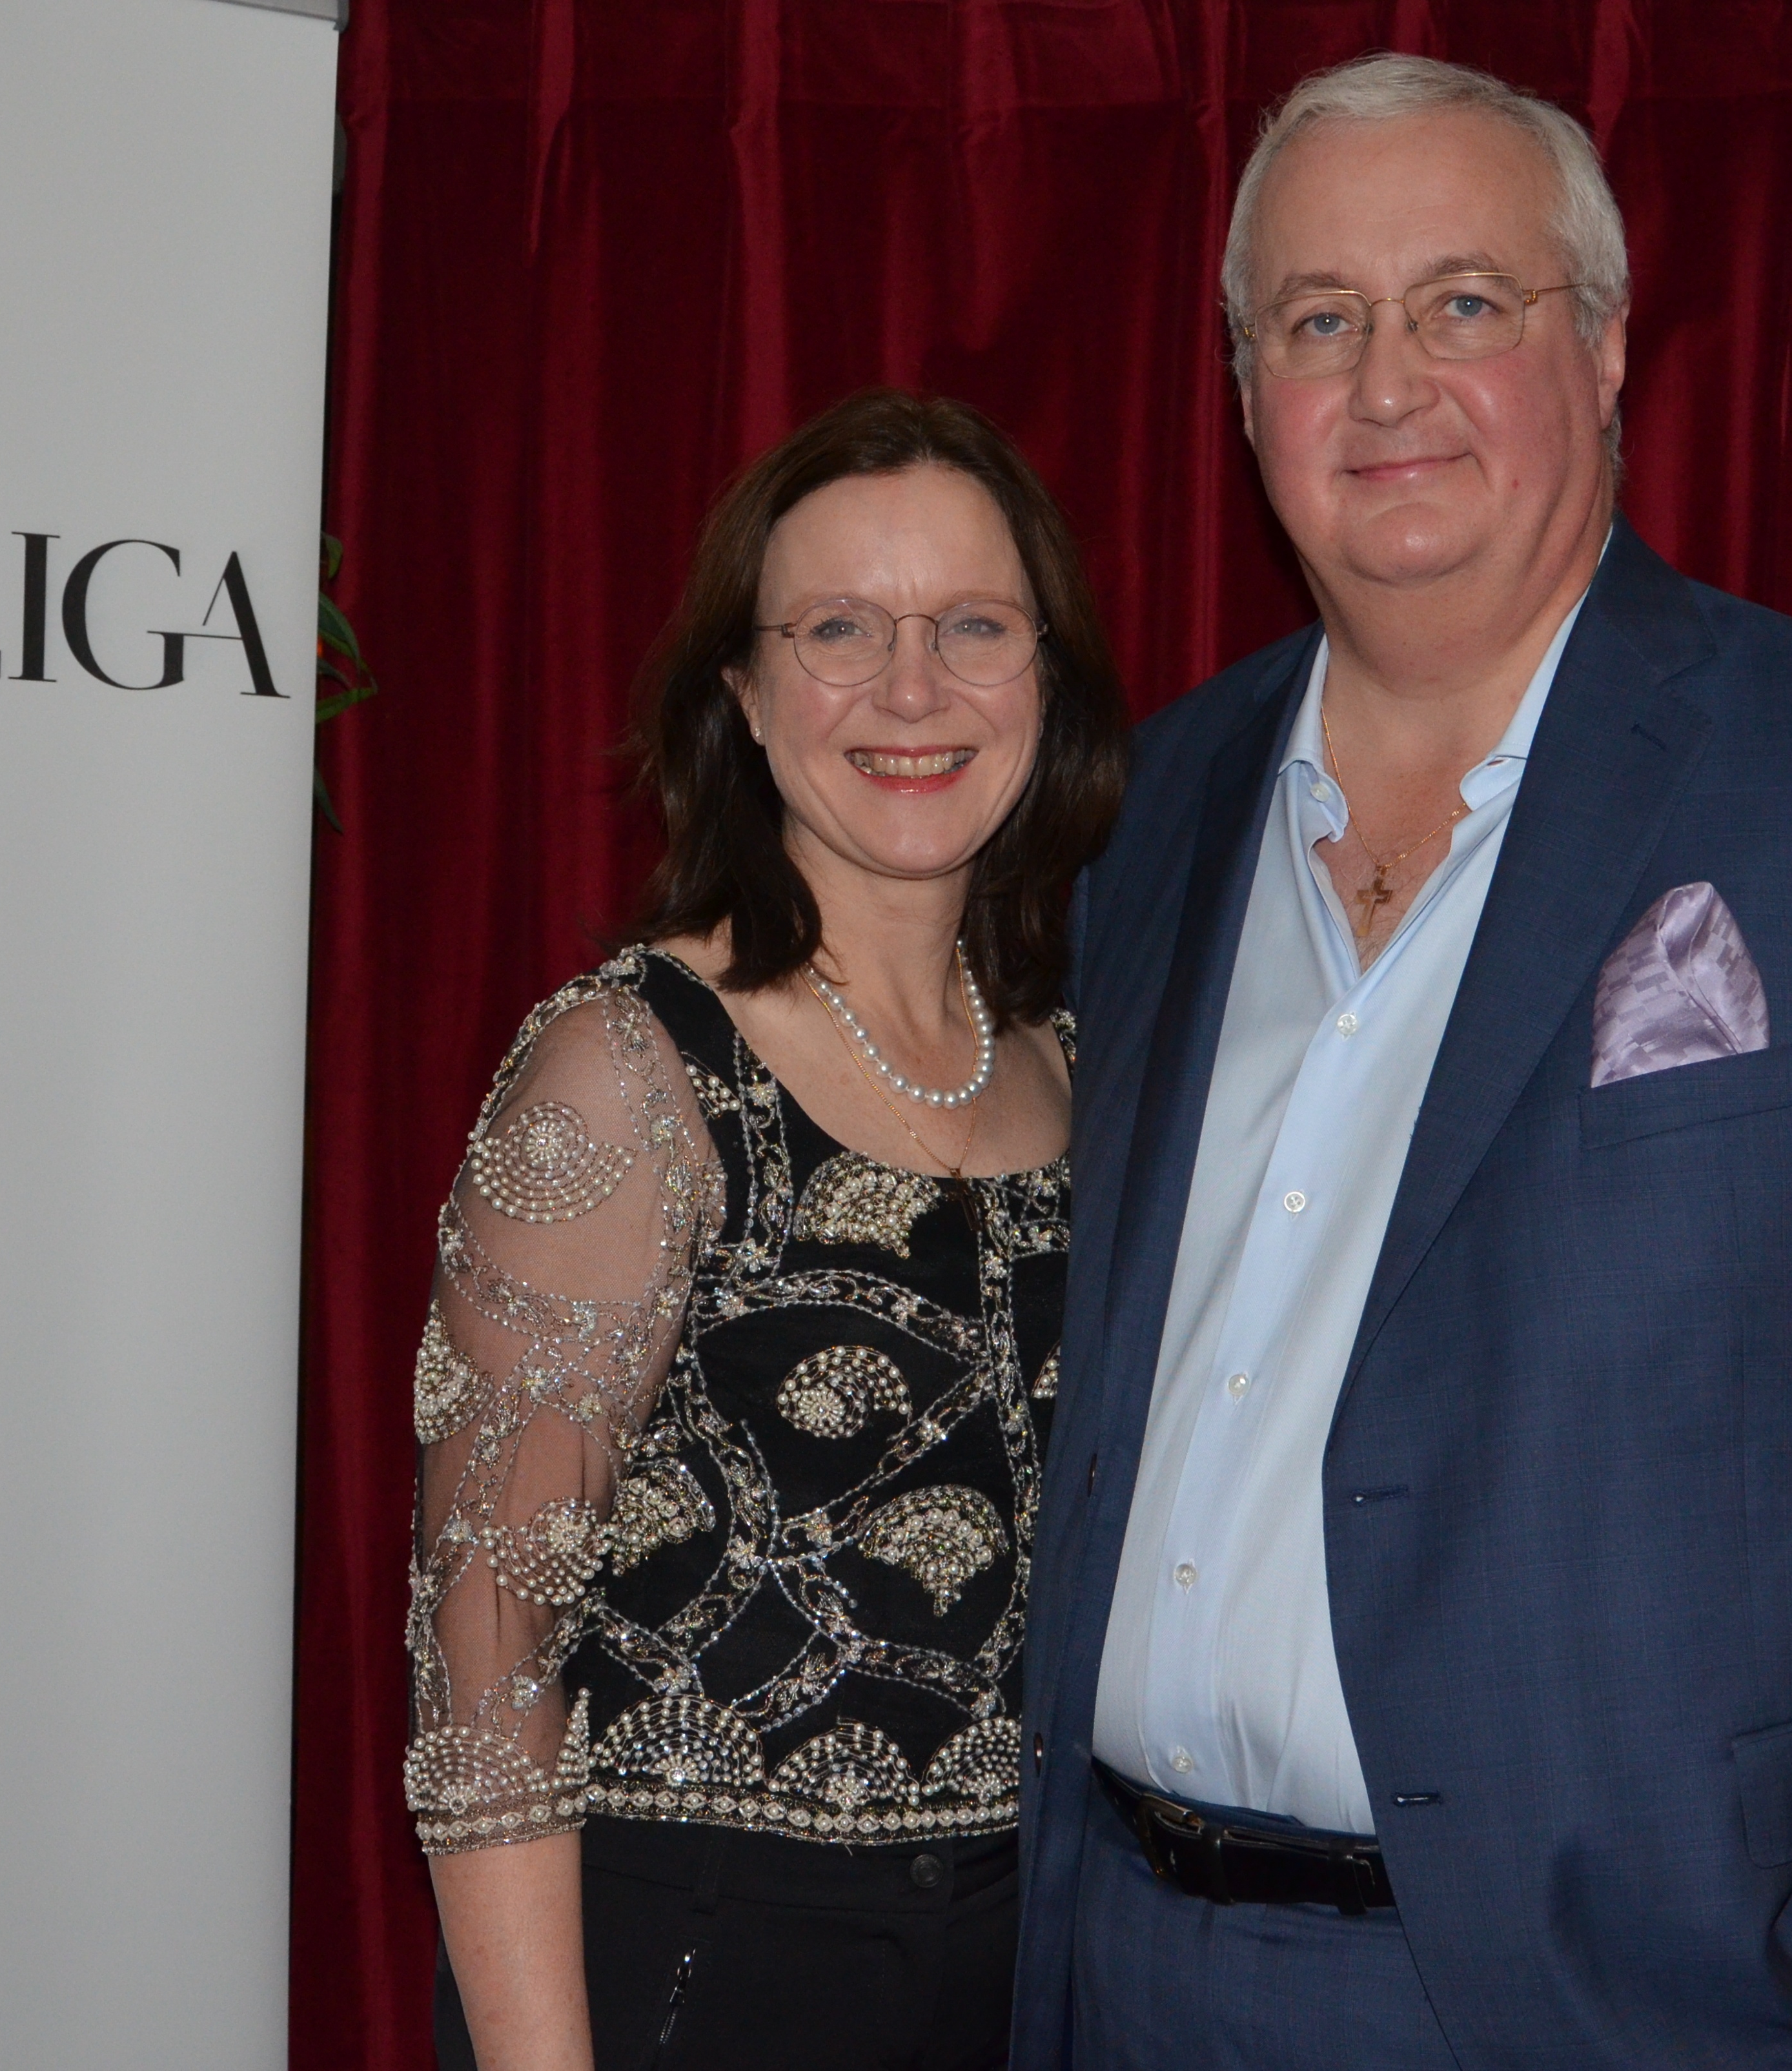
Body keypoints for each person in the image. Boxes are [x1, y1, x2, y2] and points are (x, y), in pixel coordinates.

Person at [1015, 54, 1792, 2071]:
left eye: (1464, 302)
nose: (1388, 384)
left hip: (1625, 2009)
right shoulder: (1145, 809)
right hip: (1118, 1971)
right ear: (1246, 388)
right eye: (1318, 320)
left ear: (1610, 344)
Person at [407, 388, 1128, 2071]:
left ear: (1048, 681)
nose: (911, 689)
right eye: (839, 630)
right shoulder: (631, 1067)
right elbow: (486, 1660)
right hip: (691, 1970)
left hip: (1026, 1974)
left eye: (972, 626)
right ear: (740, 690)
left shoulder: (1090, 1066)